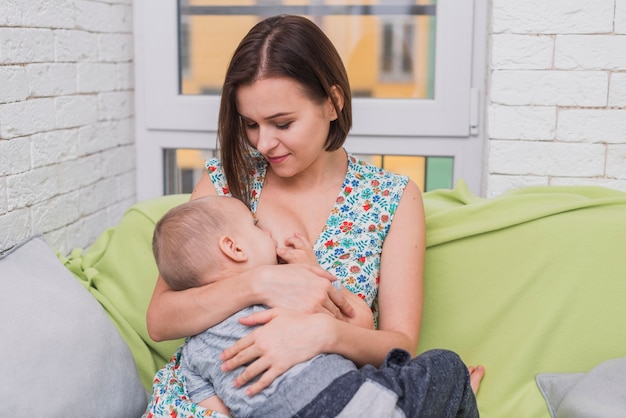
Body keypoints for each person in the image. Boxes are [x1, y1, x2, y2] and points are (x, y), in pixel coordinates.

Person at [144, 14, 484, 418]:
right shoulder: (225, 183)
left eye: (282, 123)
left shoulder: (391, 199)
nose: (264, 142)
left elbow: (401, 344)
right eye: (250, 124)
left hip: (332, 402)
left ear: (333, 102)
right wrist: (260, 282)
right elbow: (160, 321)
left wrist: (324, 333)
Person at [151, 195, 479, 417]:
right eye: (255, 226)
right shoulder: (285, 293)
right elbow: (356, 321)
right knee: (446, 365)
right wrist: (313, 271)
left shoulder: (194, 352)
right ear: (234, 247)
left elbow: (212, 406)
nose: (265, 231)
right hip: (351, 401)